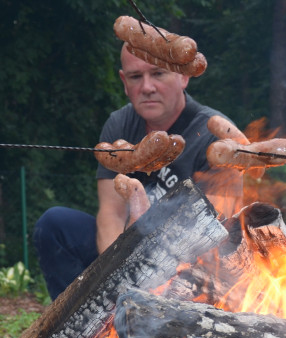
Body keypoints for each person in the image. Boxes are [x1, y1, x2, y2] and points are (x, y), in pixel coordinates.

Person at [33, 43, 241, 301]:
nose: (147, 87)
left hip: (188, 269)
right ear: (124, 81)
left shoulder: (215, 137)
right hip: (126, 253)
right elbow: (111, 213)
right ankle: (78, 327)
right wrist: (119, 277)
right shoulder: (119, 124)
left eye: (158, 74)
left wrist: (150, 285)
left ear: (183, 75)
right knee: (55, 224)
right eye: (135, 76)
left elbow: (215, 240)